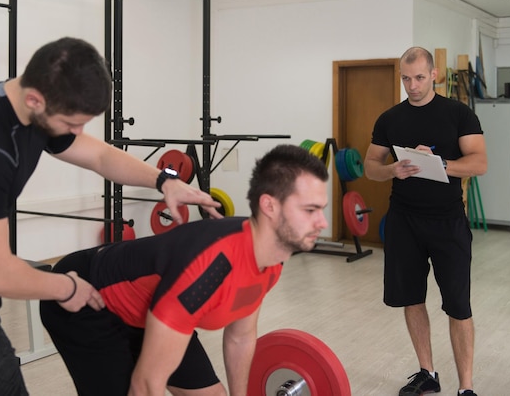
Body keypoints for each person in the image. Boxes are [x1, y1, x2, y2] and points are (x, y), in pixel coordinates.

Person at [0, 37, 222, 396]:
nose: (77, 133)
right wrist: (66, 286)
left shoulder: (24, 105)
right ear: (36, 100)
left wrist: (165, 182)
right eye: (71, 123)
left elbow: (100, 157)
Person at [39, 144, 329, 396]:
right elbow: (146, 384)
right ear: (270, 207)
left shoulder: (271, 260)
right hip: (91, 301)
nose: (322, 223)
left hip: (156, 309)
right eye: (309, 210)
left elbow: (240, 337)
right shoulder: (209, 271)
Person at [364, 47, 487, 396]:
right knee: (411, 298)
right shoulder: (390, 119)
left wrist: (440, 165)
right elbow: (371, 165)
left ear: (434, 75)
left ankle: (466, 387)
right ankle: (427, 373)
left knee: (458, 306)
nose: (412, 85)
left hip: (448, 221)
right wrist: (392, 169)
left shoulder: (458, 114)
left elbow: (479, 163)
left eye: (419, 77)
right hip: (404, 221)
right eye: (406, 78)